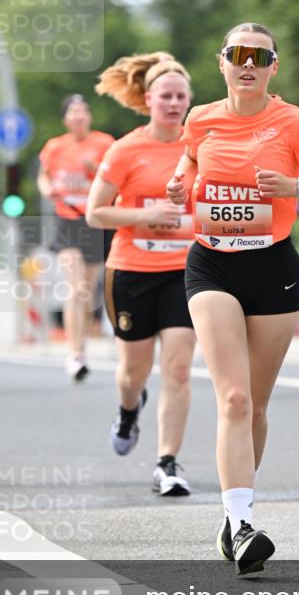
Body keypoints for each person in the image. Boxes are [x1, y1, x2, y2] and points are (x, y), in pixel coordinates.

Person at [167, 22, 299, 574]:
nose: (248, 64)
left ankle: (234, 512)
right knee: (235, 400)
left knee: (258, 406)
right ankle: (243, 524)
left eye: (259, 56)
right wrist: (180, 181)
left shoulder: (293, 123)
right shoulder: (201, 119)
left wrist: (292, 188)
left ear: (274, 66)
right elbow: (190, 162)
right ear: (221, 63)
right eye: (238, 54)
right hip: (211, 262)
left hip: (272, 267)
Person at [86, 54, 196, 497]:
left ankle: (167, 462)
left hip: (185, 273)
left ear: (190, 100)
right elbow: (96, 212)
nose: (173, 104)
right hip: (131, 272)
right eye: (165, 96)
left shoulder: (199, 146)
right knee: (134, 372)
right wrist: (146, 214)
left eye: (181, 96)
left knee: (180, 367)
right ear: (149, 99)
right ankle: (129, 410)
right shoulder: (126, 149)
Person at [38, 95, 114, 381]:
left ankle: (80, 345)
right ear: (66, 119)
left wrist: (94, 170)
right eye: (73, 111)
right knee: (76, 288)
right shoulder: (55, 147)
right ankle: (74, 353)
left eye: (84, 111)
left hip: (94, 220)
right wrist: (46, 189)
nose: (79, 116)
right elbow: (43, 176)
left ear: (89, 117)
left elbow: (115, 175)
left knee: (88, 290)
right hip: (66, 220)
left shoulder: (104, 143)